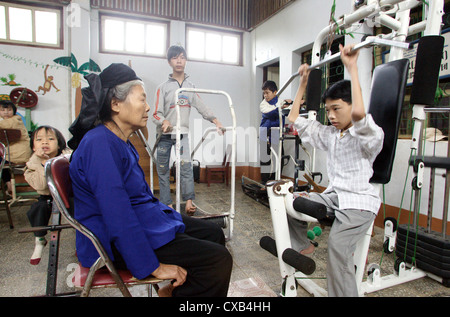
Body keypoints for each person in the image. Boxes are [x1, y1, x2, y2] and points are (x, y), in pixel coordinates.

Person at [68, 63, 232, 297]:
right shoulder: (99, 144)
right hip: (112, 240)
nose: (147, 108)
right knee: (217, 260)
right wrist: (153, 266)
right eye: (141, 100)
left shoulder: (119, 141)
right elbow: (117, 214)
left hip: (140, 220)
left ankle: (177, 292)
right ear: (115, 104)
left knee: (213, 234)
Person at [286, 44, 384, 297]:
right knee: (293, 201)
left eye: (336, 108)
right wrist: (303, 83)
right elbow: (293, 120)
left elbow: (361, 114)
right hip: (335, 196)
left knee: (337, 248)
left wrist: (352, 67)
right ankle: (304, 245)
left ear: (350, 106)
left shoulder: (368, 135)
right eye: (327, 110)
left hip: (359, 203)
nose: (330, 115)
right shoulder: (332, 134)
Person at [152, 45, 224, 215]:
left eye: (182, 57)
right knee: (162, 169)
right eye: (175, 57)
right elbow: (156, 113)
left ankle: (189, 201)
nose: (179, 60)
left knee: (186, 167)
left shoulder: (190, 87)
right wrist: (164, 121)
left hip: (181, 134)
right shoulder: (163, 87)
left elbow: (202, 106)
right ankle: (166, 204)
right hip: (163, 135)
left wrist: (216, 121)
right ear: (169, 61)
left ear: (186, 60)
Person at [24, 126, 71, 265]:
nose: (45, 143)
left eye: (50, 139)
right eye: (39, 140)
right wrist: (42, 164)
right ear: (33, 147)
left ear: (59, 143)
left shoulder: (66, 157)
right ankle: (39, 240)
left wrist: (65, 160)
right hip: (47, 196)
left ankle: (82, 239)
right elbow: (41, 185)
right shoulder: (31, 165)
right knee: (38, 209)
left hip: (67, 196)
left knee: (82, 210)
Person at [259, 80, 292, 184]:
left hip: (276, 132)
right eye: (264, 93)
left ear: (275, 92)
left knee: (278, 157)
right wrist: (281, 107)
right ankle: (264, 182)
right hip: (265, 132)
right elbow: (269, 114)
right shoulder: (263, 104)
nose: (265, 95)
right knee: (265, 158)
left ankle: (275, 180)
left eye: (267, 93)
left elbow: (291, 109)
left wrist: (296, 102)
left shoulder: (280, 101)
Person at [0, 100, 32, 194]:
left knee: (1, 161)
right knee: (1, 161)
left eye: (9, 109)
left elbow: (6, 125)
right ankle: (8, 183)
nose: (6, 112)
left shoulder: (15, 120)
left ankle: (8, 183)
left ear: (13, 111)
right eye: (2, 110)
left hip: (19, 153)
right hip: (12, 153)